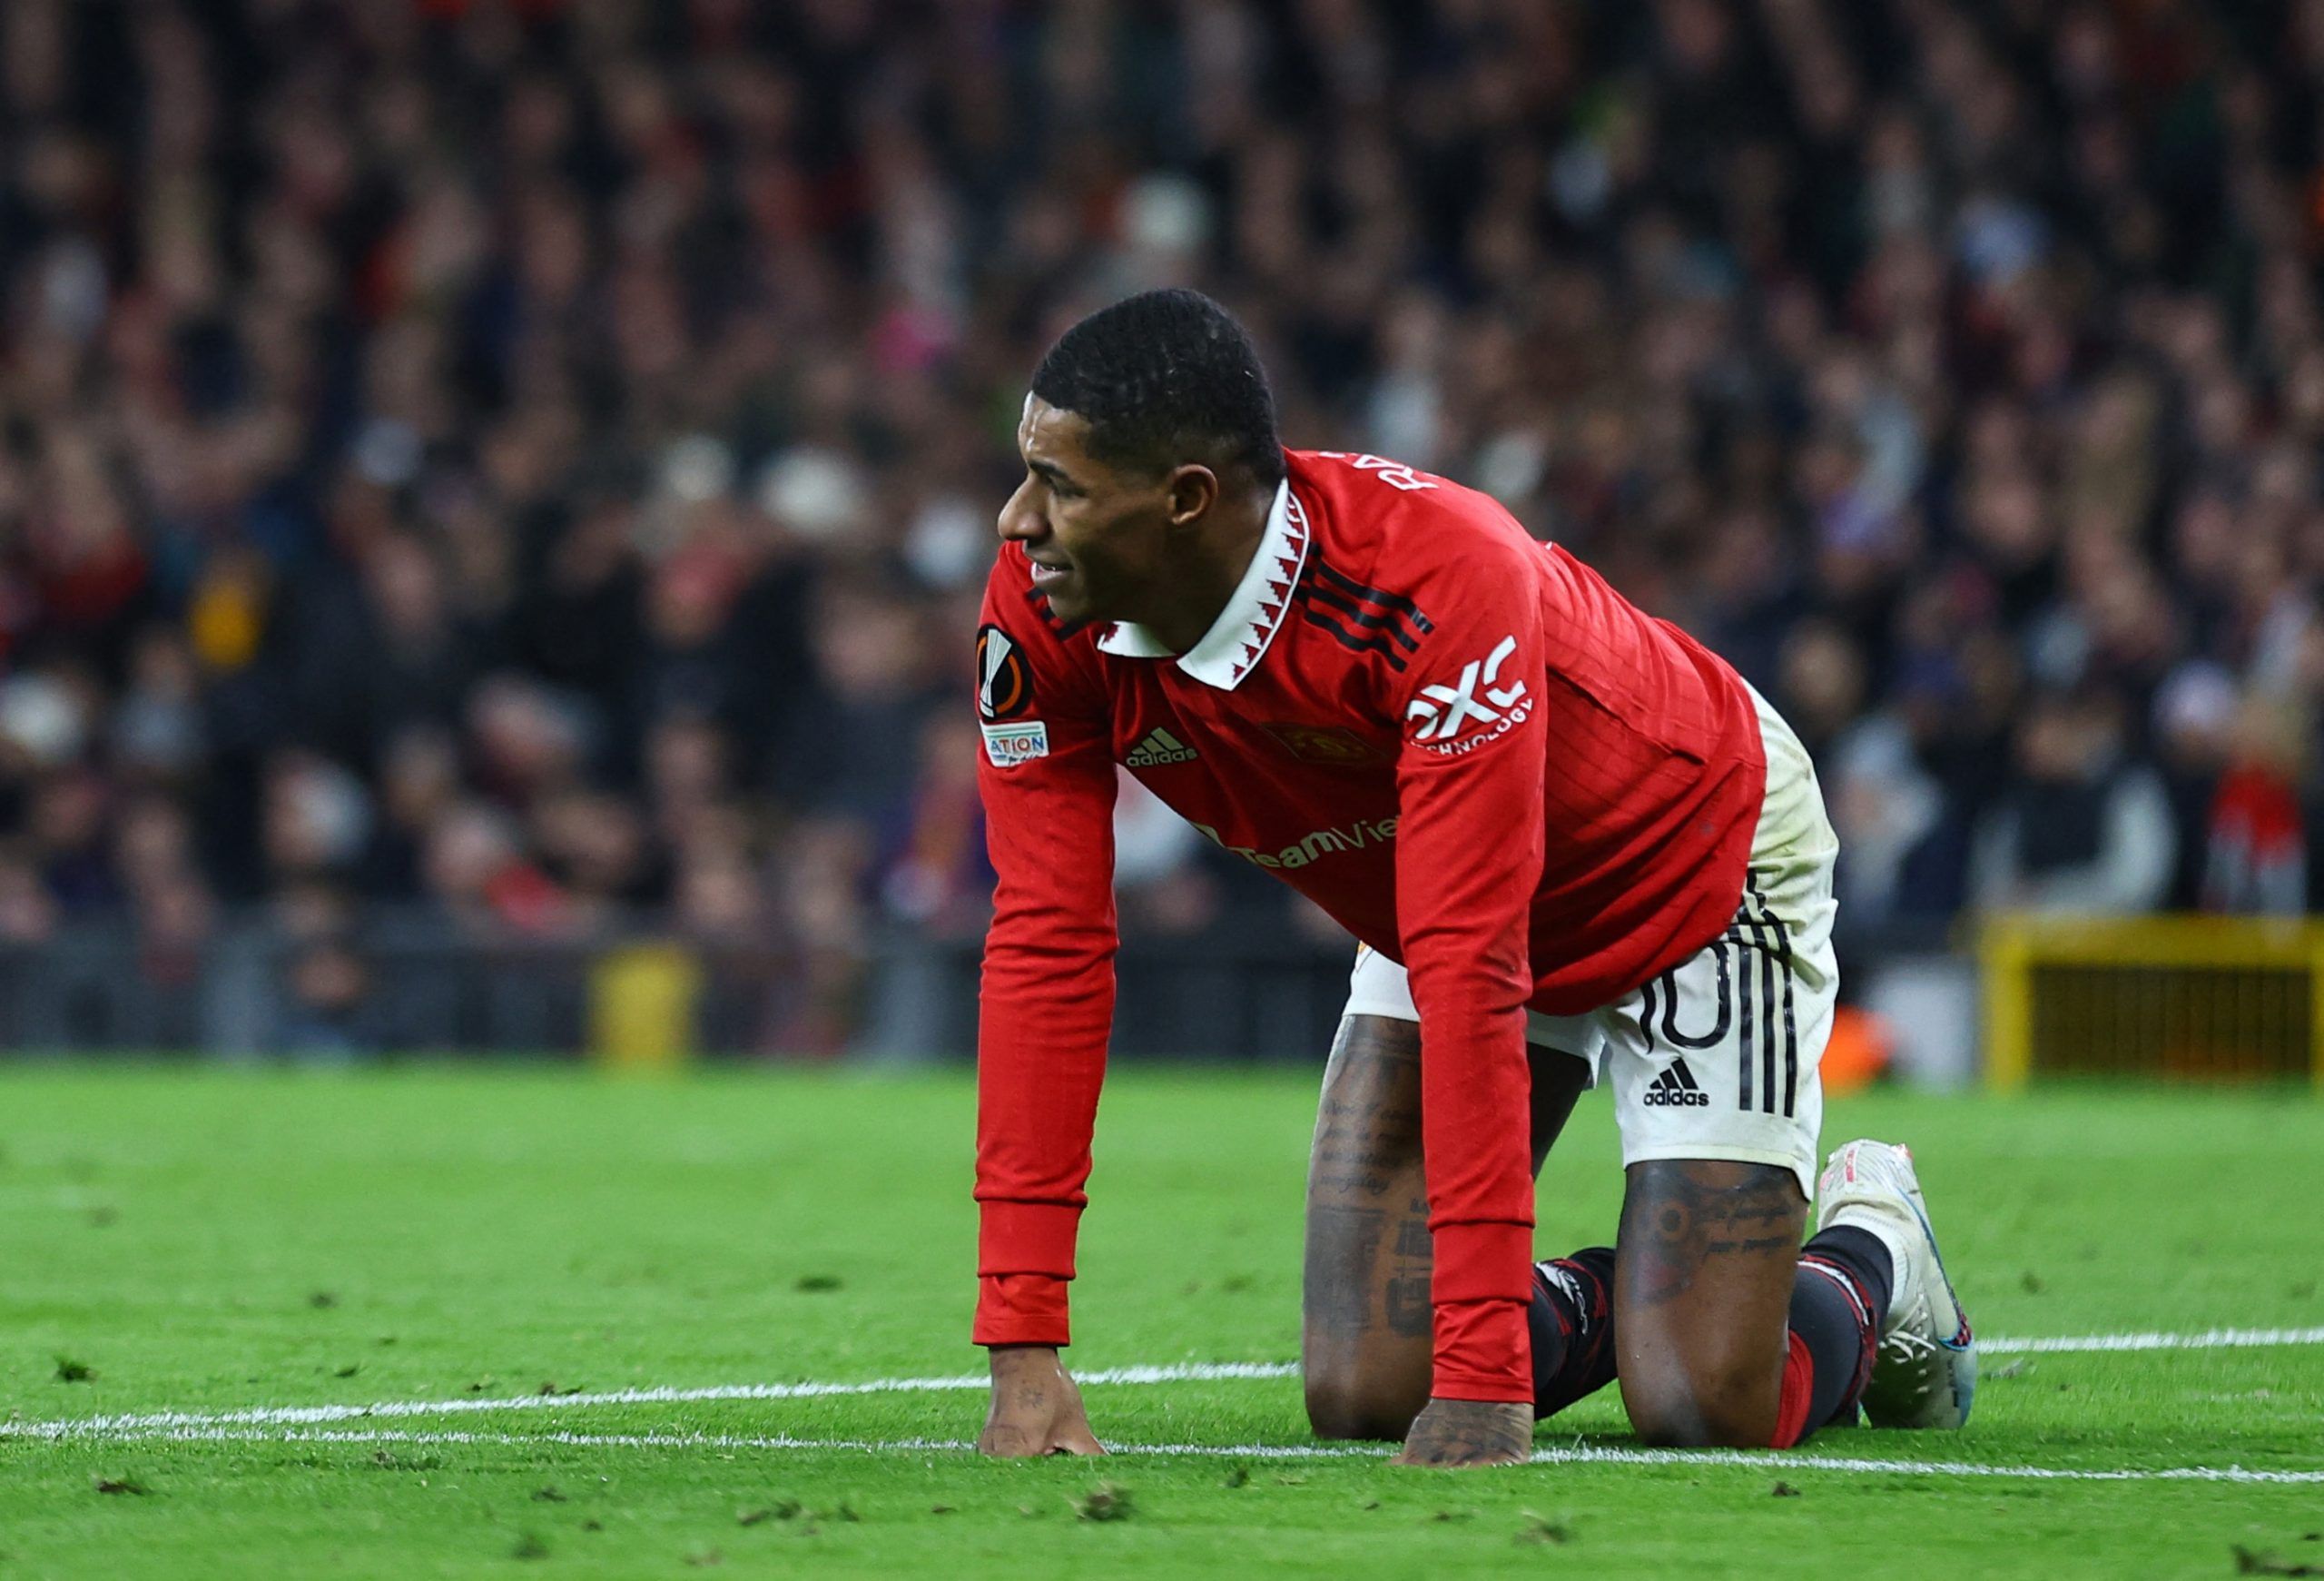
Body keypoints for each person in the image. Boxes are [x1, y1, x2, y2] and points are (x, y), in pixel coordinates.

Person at [970, 290, 1974, 1468]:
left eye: (1062, 485)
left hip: (1687, 860)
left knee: (1704, 1406)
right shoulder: (1046, 615)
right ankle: (1660, 1289)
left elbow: (1469, 955)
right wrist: (1025, 1350)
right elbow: (1048, 944)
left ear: (1186, 499)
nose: (1016, 518)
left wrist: (1489, 1375)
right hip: (1443, 891)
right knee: (1364, 1388)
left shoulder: (1434, 582)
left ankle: (1871, 1250)